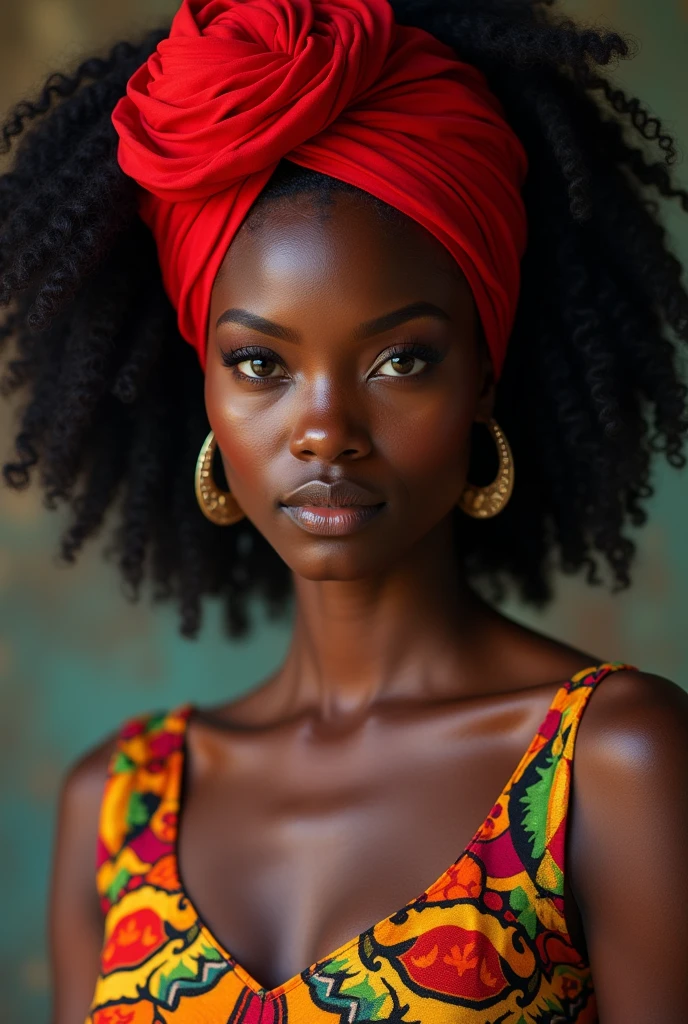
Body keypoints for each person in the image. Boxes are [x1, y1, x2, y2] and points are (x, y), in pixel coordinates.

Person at [1, 0, 687, 1020]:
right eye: (260, 364)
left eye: (400, 359)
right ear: (207, 390)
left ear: (482, 381)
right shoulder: (116, 801)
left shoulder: (615, 761)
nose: (325, 429)